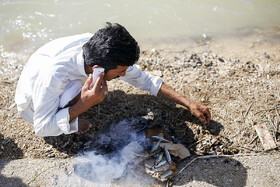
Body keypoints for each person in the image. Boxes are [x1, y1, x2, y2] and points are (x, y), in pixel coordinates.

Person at [15, 22, 211, 137]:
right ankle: (68, 117)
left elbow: (145, 80)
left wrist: (188, 103)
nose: (125, 74)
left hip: (50, 82)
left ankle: (69, 112)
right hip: (33, 105)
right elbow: (40, 128)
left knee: (85, 89)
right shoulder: (55, 75)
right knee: (75, 90)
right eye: (121, 71)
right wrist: (83, 104)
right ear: (98, 69)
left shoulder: (98, 49)